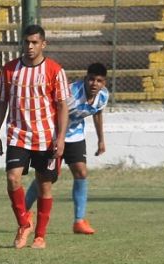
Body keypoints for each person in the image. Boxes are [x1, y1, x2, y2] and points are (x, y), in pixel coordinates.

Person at [0, 24, 69, 249]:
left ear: (43, 44)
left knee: (44, 184)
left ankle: (40, 236)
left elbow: (63, 106)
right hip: (18, 135)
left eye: (35, 42)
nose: (30, 46)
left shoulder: (55, 70)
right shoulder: (9, 70)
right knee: (12, 178)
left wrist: (61, 137)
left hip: (46, 137)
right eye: (26, 42)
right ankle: (24, 223)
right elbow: (1, 103)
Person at [24, 62, 109, 235]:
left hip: (75, 136)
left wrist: (101, 140)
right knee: (47, 178)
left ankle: (79, 221)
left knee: (81, 172)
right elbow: (51, 111)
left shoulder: (103, 96)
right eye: (91, 79)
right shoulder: (71, 93)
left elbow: (98, 113)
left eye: (99, 81)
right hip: (53, 135)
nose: (94, 84)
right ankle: (23, 213)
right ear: (85, 79)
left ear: (104, 83)